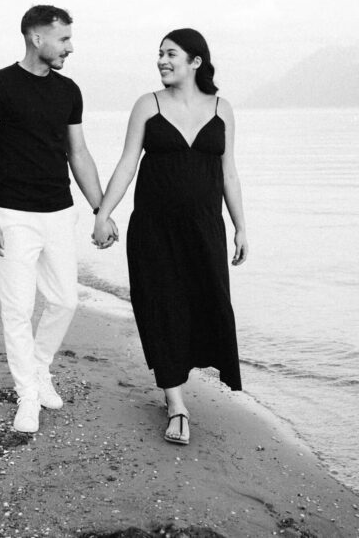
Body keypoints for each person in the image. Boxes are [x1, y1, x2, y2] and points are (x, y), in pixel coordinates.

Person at [92, 28, 247, 445]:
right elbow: (127, 164)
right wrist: (103, 214)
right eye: (159, 54)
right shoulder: (148, 105)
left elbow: (229, 173)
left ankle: (180, 383)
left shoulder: (222, 109)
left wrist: (240, 227)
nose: (161, 60)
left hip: (205, 230)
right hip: (154, 230)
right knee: (162, 307)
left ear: (196, 61)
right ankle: (176, 403)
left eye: (170, 53)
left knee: (206, 305)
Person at [0, 5, 117, 434]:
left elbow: (79, 154)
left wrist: (101, 210)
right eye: (64, 39)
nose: (70, 47)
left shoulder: (69, 90)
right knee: (17, 308)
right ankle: (27, 396)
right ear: (37, 38)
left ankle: (40, 368)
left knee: (65, 300)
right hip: (12, 214)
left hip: (59, 211)